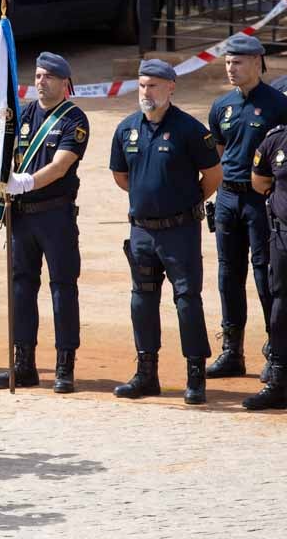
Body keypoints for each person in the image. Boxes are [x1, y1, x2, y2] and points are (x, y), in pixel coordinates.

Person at [109, 59, 221, 405]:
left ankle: (195, 376)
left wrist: (181, 204)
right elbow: (121, 176)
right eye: (143, 85)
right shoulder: (127, 128)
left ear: (171, 87)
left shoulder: (189, 129)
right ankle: (146, 374)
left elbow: (213, 175)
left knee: (187, 300)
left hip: (180, 231)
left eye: (154, 85)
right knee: (141, 301)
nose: (147, 92)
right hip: (142, 232)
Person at [0, 52, 89, 393]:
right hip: (22, 217)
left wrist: (27, 182)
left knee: (62, 287)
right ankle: (24, 363)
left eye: (48, 76)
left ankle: (65, 365)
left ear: (65, 83)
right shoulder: (23, 114)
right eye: (37, 75)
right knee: (21, 288)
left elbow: (61, 165)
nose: (40, 81)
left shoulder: (74, 120)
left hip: (55, 215)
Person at [204, 34, 287, 382]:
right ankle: (231, 351)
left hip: (260, 201)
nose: (231, 68)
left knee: (265, 274)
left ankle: (276, 349)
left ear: (256, 62)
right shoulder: (221, 106)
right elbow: (221, 153)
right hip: (227, 198)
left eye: (237, 62)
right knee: (228, 275)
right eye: (227, 62)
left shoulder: (278, 105)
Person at [247, 125, 287, 409]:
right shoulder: (277, 139)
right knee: (281, 309)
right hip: (284, 236)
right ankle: (279, 383)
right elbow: (260, 181)